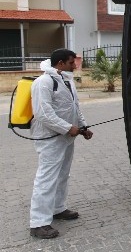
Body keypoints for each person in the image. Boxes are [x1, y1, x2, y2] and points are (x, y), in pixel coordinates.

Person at [29, 49, 93, 239]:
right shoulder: (43, 83)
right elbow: (43, 114)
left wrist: (83, 127)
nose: (75, 65)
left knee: (63, 174)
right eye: (72, 62)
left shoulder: (66, 80)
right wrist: (67, 127)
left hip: (66, 137)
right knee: (46, 178)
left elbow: (74, 106)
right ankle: (38, 223)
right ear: (60, 63)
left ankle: (58, 208)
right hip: (49, 138)